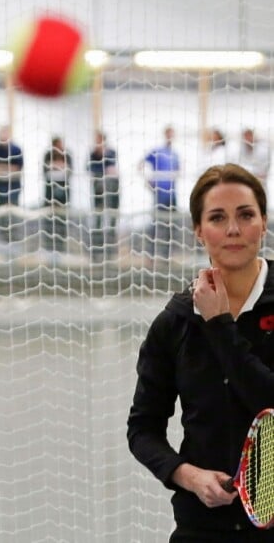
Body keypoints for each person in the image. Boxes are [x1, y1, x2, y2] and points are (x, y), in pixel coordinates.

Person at [127, 163, 274, 542]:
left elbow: (268, 399)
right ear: (198, 231)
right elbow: (143, 430)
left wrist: (220, 325)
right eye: (217, 217)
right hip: (202, 529)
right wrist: (187, 475)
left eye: (245, 215)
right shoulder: (173, 323)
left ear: (264, 222)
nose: (233, 230)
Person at [140, 125, 181, 260]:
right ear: (165, 134)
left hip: (172, 194)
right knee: (156, 223)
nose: (170, 136)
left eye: (172, 133)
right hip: (159, 194)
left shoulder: (175, 154)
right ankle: (150, 255)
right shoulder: (157, 151)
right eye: (169, 133)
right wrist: (148, 181)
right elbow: (141, 164)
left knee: (171, 225)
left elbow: (179, 171)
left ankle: (166, 256)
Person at [87, 130, 120, 260]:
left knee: (112, 220)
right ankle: (96, 252)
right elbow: (90, 168)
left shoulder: (111, 152)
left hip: (112, 190)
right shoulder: (93, 154)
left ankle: (110, 252)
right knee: (97, 221)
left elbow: (111, 167)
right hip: (98, 191)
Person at [42, 135, 73, 252]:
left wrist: (55, 167)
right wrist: (58, 168)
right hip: (50, 194)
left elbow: (69, 172)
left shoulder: (67, 156)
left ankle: (61, 248)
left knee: (62, 220)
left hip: (64, 194)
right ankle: (49, 247)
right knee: (50, 220)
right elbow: (45, 171)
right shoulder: (47, 155)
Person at [0, 125, 24, 208]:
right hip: (0, 186)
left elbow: (18, 168)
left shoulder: (16, 149)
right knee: (1, 210)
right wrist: (9, 167)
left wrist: (1, 166)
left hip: (14, 186)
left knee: (13, 210)